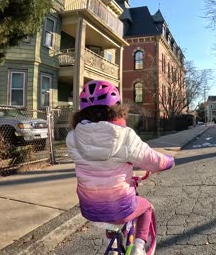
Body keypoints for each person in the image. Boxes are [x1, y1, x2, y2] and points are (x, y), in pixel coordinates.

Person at [67, 80, 174, 255]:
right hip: (121, 207)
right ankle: (139, 247)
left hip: (89, 208)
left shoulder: (72, 137)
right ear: (116, 108)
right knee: (145, 207)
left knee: (107, 211)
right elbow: (153, 160)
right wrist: (169, 161)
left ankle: (113, 246)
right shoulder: (125, 136)